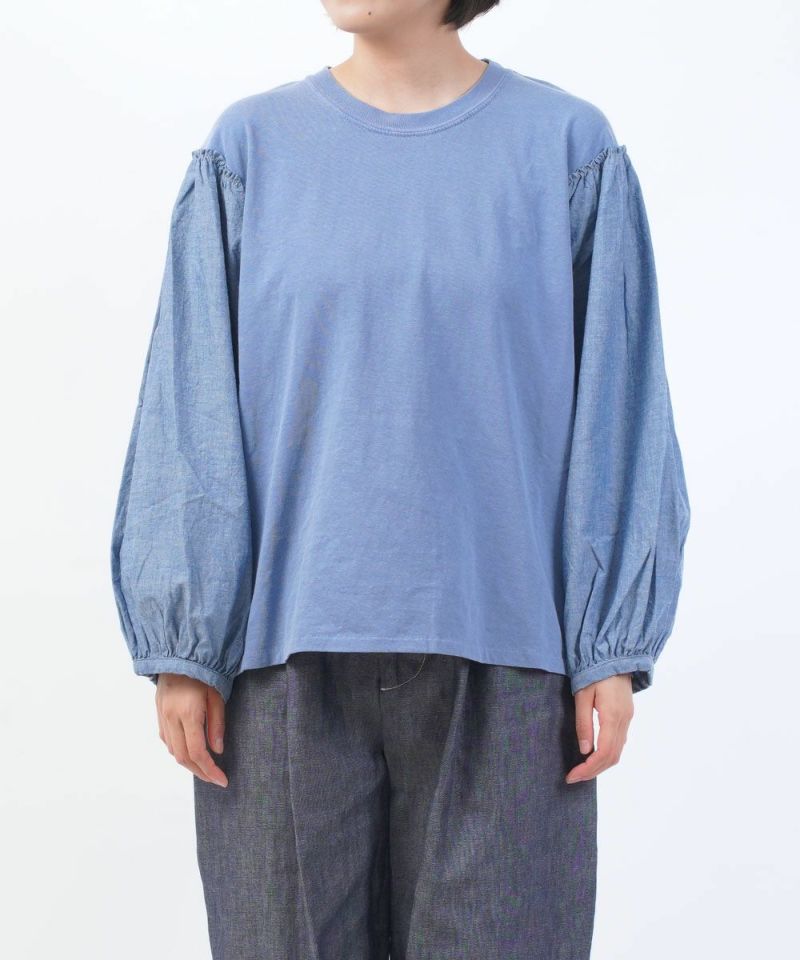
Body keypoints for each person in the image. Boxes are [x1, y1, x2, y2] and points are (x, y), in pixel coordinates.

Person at [109, 1, 691, 957]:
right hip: (282, 662)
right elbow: (191, 391)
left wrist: (609, 643)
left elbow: (619, 398)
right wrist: (186, 640)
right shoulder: (248, 151)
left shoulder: (567, 150)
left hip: (510, 662)